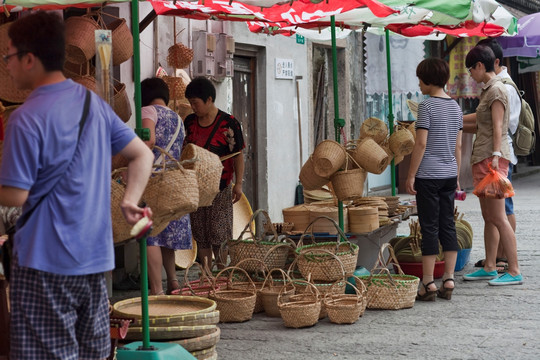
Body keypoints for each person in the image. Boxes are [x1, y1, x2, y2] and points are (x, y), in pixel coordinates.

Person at [0, 12, 154, 360]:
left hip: (44, 264)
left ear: (29, 58)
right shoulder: (92, 105)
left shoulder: (25, 117)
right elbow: (141, 155)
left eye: (8, 56)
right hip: (94, 261)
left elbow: (15, 195)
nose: (6, 65)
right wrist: (130, 200)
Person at [462, 45, 522, 285]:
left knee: (499, 217)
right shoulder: (489, 90)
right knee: (489, 216)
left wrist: (496, 156)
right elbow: (482, 125)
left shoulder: (497, 89)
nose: (470, 75)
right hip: (483, 156)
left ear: (480, 65)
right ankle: (489, 266)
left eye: (470, 69)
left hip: (491, 159)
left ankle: (514, 270)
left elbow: (498, 127)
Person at [406, 58, 463, 301]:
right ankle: (448, 278)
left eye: (420, 79)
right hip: (450, 174)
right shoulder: (456, 107)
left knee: (429, 227)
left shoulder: (426, 107)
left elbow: (421, 143)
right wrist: (457, 177)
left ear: (428, 80)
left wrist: (410, 175)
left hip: (428, 175)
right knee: (448, 225)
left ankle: (428, 283)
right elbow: (458, 147)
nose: (418, 83)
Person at [184, 77, 245, 269]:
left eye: (196, 103)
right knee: (201, 235)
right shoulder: (190, 122)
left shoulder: (229, 124)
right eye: (191, 103)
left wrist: (239, 183)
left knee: (219, 233)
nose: (193, 107)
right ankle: (206, 275)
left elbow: (238, 155)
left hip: (220, 186)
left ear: (209, 100)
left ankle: (221, 272)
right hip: (196, 189)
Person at [141, 77, 192, 295]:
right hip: (173, 180)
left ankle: (156, 290)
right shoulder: (178, 119)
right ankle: (173, 282)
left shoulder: (147, 111)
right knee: (166, 233)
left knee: (150, 234)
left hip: (153, 179)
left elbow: (148, 141)